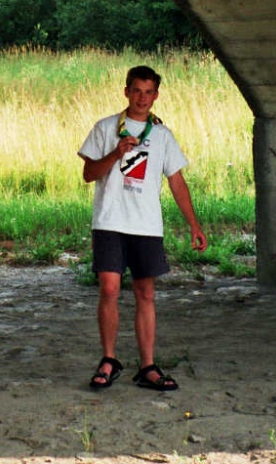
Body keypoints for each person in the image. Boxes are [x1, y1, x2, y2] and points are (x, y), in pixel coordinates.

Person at [77, 65, 207, 392]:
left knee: (145, 292)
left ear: (156, 96)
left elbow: (176, 181)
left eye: (149, 92)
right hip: (110, 221)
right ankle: (109, 359)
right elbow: (89, 173)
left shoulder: (162, 135)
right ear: (126, 92)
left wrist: (194, 224)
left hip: (146, 225)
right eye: (137, 91)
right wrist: (115, 153)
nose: (142, 98)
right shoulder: (107, 127)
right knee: (108, 288)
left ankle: (147, 365)